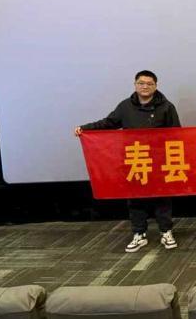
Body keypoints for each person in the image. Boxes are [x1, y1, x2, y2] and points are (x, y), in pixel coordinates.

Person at [74, 70, 181, 253]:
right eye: (141, 83)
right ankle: (139, 233)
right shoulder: (125, 106)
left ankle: (166, 231)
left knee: (162, 198)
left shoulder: (166, 107)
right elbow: (108, 123)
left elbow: (176, 134)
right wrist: (85, 129)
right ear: (135, 85)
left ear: (156, 86)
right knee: (135, 199)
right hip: (134, 160)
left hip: (159, 162)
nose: (145, 86)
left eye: (149, 84)